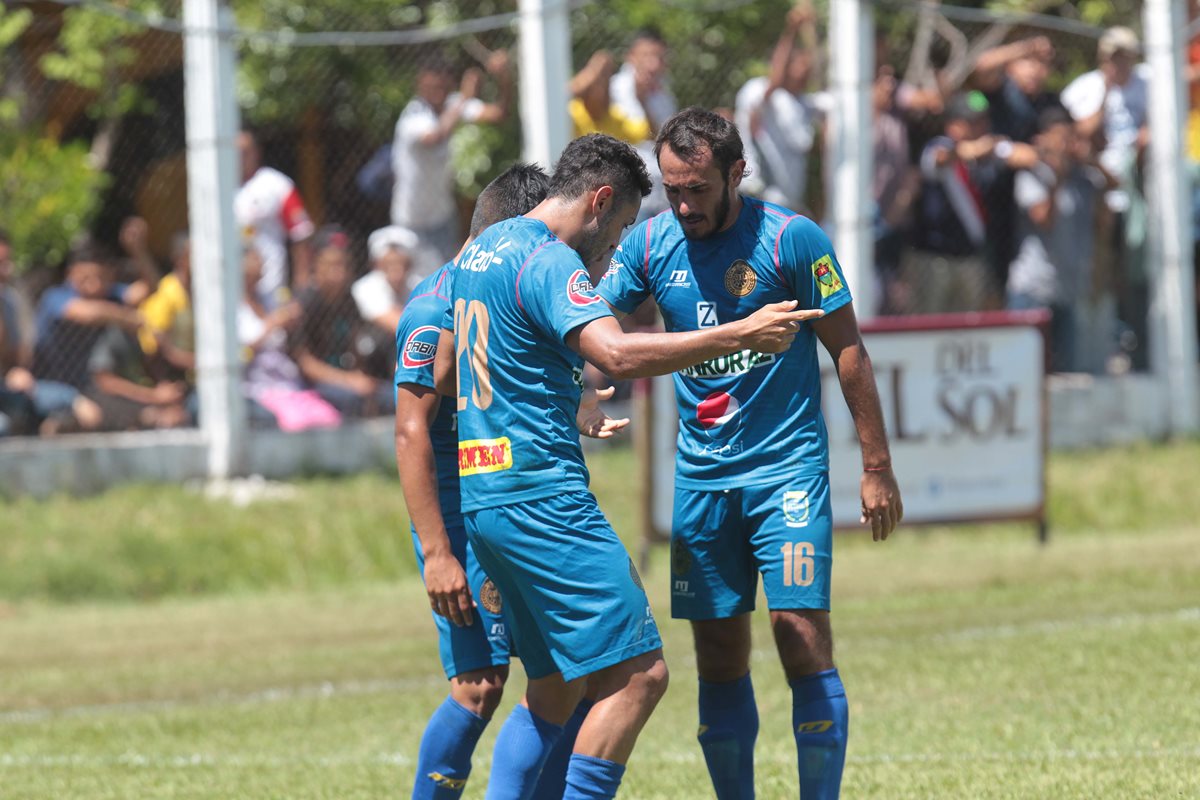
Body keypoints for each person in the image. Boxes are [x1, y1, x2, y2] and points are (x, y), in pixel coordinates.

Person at [437, 133, 818, 798]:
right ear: (601, 201)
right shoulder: (551, 260)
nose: (613, 250)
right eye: (615, 232)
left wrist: (560, 395)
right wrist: (739, 333)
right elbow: (615, 353)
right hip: (543, 499)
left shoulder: (480, 251)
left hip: (484, 497)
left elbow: (447, 368)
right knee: (641, 674)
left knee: (554, 684)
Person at [596, 108, 903, 800]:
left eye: (697, 189)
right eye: (671, 189)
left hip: (787, 470)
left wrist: (876, 466)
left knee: (798, 632)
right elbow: (596, 331)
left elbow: (848, 349)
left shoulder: (792, 241)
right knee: (718, 659)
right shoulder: (649, 247)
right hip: (702, 481)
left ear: (737, 172)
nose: (683, 205)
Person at [396, 163, 566, 799]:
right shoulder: (433, 304)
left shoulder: (507, 289)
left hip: (520, 507)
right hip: (462, 522)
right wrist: (438, 553)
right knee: (479, 686)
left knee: (564, 676)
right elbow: (412, 432)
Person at [901, 91, 1035, 314]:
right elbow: (940, 158)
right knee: (928, 324)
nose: (981, 127)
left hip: (971, 258)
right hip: (935, 260)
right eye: (973, 122)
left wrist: (994, 149)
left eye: (983, 121)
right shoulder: (938, 145)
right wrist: (976, 149)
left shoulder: (988, 151)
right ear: (954, 124)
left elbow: (1027, 156)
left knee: (968, 327)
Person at [1006, 108, 1116, 373]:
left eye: (1068, 138)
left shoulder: (1084, 178)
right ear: (1041, 140)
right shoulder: (1031, 175)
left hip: (1068, 290)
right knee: (1027, 372)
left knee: (1067, 374)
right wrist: (1057, 179)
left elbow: (1112, 192)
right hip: (1033, 289)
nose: (1064, 145)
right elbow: (1044, 217)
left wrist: (1093, 162)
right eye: (1058, 138)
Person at [391, 52, 513, 265]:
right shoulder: (413, 115)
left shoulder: (453, 105)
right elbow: (435, 137)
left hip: (442, 218)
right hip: (410, 221)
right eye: (432, 86)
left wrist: (503, 77)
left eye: (442, 86)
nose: (438, 92)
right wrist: (465, 97)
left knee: (447, 281)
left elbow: (499, 114)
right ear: (420, 84)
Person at [734, 2, 830, 215]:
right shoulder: (759, 91)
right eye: (799, 65)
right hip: (757, 195)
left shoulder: (806, 103)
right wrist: (791, 30)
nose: (805, 71)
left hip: (786, 203)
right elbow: (774, 81)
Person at [291, 228, 394, 418]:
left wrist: (360, 377)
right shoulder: (304, 303)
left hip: (349, 378)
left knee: (393, 397)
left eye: (343, 265)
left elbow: (356, 347)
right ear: (316, 265)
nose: (339, 272)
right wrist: (348, 380)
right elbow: (305, 364)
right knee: (353, 400)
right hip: (314, 384)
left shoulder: (349, 300)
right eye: (331, 265)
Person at [235, 128, 315, 309]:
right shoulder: (219, 187)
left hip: (270, 283)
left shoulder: (277, 184)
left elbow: (301, 233)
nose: (239, 157)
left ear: (256, 152)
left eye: (245, 152)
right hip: (231, 285)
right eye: (235, 152)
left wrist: (301, 281)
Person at [569, 51, 653, 144]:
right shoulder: (572, 113)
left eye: (606, 84)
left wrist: (640, 96)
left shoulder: (615, 118)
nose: (601, 91)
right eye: (596, 84)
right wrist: (593, 70)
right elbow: (560, 98)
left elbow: (645, 133)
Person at [354, 225, 420, 337]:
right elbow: (398, 326)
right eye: (388, 264)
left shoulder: (418, 284)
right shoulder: (365, 287)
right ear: (377, 265)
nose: (396, 269)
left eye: (400, 263)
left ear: (409, 264)